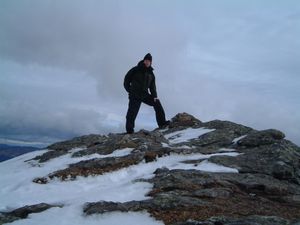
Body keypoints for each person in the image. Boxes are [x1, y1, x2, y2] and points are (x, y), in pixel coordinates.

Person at [124, 53, 170, 134]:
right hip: (135, 94)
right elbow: (126, 80)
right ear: (143, 61)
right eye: (146, 60)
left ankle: (162, 123)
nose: (147, 62)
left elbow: (152, 86)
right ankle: (129, 130)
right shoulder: (135, 69)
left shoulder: (151, 74)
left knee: (157, 103)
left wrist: (154, 96)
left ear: (151, 62)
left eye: (149, 61)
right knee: (132, 112)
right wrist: (130, 90)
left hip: (144, 95)